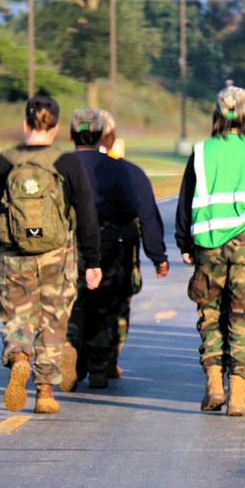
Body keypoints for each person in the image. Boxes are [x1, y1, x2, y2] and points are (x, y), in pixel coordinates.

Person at [0, 95, 101, 414]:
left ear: (25, 124)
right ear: (55, 128)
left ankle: (19, 355)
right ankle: (44, 392)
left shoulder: (4, 161)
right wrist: (92, 261)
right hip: (57, 256)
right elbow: (86, 213)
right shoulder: (67, 163)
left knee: (17, 316)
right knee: (53, 320)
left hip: (13, 255)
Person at [175, 86, 245, 416]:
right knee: (243, 318)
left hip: (208, 244)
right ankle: (237, 394)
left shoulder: (201, 152)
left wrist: (184, 243)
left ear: (218, 115)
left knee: (209, 315)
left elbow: (186, 198)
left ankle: (213, 384)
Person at [64, 108, 142, 390]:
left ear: (71, 134)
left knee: (73, 303)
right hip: (106, 243)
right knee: (103, 304)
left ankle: (70, 348)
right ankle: (98, 368)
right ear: (101, 135)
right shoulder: (115, 167)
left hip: (69, 244)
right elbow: (132, 207)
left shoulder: (61, 164)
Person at [96, 110, 170, 375]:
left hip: (81, 250)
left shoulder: (71, 167)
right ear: (113, 136)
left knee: (85, 302)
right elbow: (147, 216)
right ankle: (107, 361)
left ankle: (83, 355)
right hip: (121, 251)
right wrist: (158, 256)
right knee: (119, 304)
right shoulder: (131, 172)